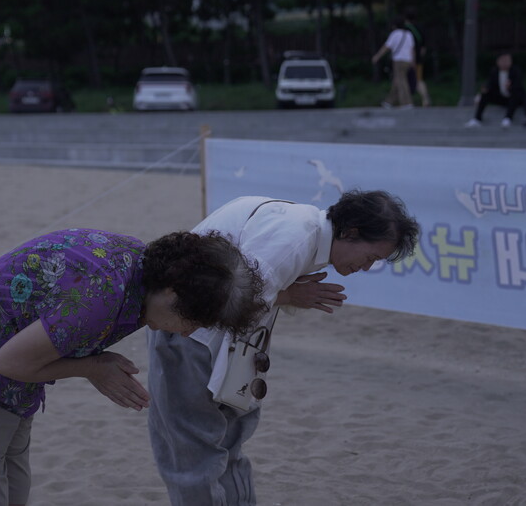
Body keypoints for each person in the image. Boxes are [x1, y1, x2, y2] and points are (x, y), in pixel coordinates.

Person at [0, 229, 267, 506]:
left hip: (13, 390)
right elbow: (10, 361)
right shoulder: (101, 296)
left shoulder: (141, 269)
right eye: (192, 320)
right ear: (171, 293)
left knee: (12, 493)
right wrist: (92, 368)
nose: (189, 332)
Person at [147, 191, 420, 505]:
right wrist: (290, 296)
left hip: (227, 345)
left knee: (219, 448)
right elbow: (225, 296)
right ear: (351, 233)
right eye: (371, 257)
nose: (367, 266)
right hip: (187, 332)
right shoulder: (295, 236)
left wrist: (287, 295)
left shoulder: (302, 228)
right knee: (194, 453)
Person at [465, 52, 526, 129]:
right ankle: (477, 119)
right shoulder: (494, 71)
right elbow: (490, 85)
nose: (505, 63)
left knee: (516, 94)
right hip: (500, 97)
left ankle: (508, 118)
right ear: (498, 62)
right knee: (485, 94)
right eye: (503, 60)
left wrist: (510, 87)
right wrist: (483, 91)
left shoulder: (516, 71)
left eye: (507, 60)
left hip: (514, 99)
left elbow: (519, 86)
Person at [371, 17, 416, 109]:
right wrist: (413, 61)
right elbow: (412, 49)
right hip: (407, 60)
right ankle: (388, 102)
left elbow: (386, 47)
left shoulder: (395, 34)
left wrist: (377, 56)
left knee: (401, 81)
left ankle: (407, 102)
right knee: (397, 81)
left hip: (399, 60)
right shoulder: (408, 34)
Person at [404, 10, 432, 107]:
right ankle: (425, 99)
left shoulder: (405, 29)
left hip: (407, 59)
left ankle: (408, 101)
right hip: (419, 58)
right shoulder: (420, 28)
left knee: (405, 80)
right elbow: (424, 46)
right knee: (419, 79)